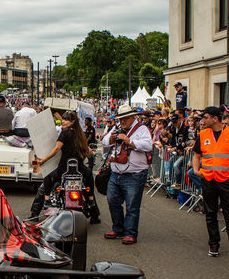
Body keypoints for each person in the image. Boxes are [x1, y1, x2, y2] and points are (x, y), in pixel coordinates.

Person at [191, 106, 229, 258]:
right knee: (210, 213)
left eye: (205, 118)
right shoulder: (203, 134)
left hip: (226, 179)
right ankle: (213, 244)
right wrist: (196, 170)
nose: (203, 121)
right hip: (208, 178)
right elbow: (197, 154)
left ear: (215, 118)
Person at [29, 110, 101, 222]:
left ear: (72, 121)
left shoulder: (65, 133)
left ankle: (45, 202)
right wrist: (92, 152)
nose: (63, 121)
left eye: (66, 119)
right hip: (79, 170)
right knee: (88, 178)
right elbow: (86, 148)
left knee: (47, 176)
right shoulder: (80, 134)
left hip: (64, 169)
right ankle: (93, 208)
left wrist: (44, 159)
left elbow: (57, 148)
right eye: (63, 119)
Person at [101, 104, 152, 244]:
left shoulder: (141, 129)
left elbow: (148, 145)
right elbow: (104, 141)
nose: (122, 121)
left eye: (125, 119)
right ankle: (118, 229)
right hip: (116, 173)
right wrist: (111, 139)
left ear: (133, 117)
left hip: (134, 174)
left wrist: (129, 141)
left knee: (132, 206)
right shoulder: (117, 128)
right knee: (112, 201)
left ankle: (130, 233)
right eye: (120, 119)